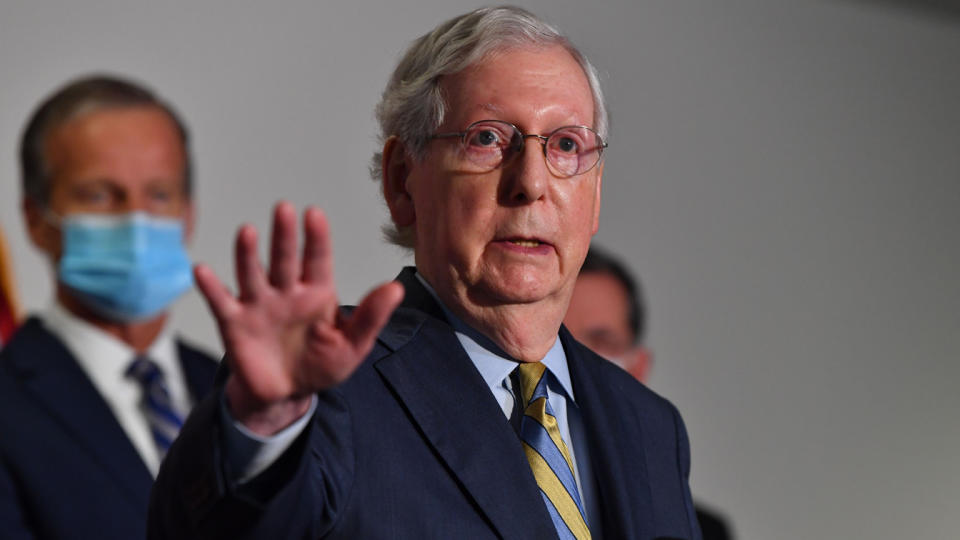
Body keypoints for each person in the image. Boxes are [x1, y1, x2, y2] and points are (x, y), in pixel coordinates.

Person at [150, 7, 701, 539]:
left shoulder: (651, 428)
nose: (531, 182)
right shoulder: (324, 390)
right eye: (487, 138)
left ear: (595, 193)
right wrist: (264, 428)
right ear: (401, 181)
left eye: (565, 145)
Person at [0, 75, 218, 540]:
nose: (136, 220)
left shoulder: (238, 390)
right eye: (99, 194)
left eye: (159, 194)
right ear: (36, 221)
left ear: (189, 213)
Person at [564, 245, 735, 539]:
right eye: (560, 339)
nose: (577, 361)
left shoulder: (703, 531)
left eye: (601, 342)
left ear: (638, 368)